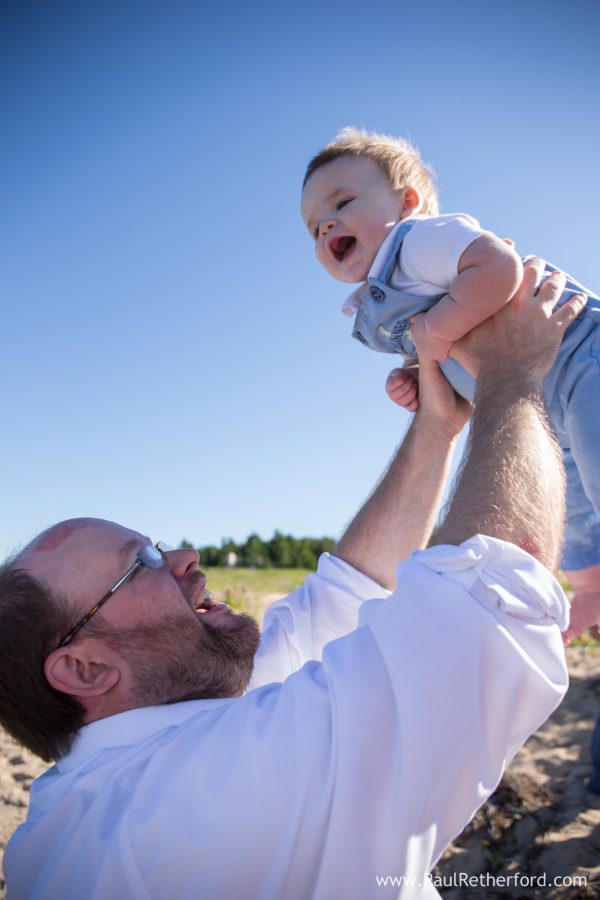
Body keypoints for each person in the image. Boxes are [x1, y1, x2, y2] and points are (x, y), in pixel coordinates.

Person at [0, 263, 584, 898]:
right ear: (83, 669)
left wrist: (437, 427)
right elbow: (486, 603)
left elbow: (343, 595)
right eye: (139, 563)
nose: (185, 557)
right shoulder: (182, 809)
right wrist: (514, 373)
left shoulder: (129, 767)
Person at [301, 128, 600, 652]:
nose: (326, 225)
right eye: (313, 228)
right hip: (535, 400)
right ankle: (593, 587)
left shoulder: (418, 243)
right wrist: (417, 376)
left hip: (579, 357)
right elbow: (456, 360)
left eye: (343, 202)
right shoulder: (378, 302)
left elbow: (499, 268)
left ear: (407, 203)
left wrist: (435, 333)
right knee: (572, 508)